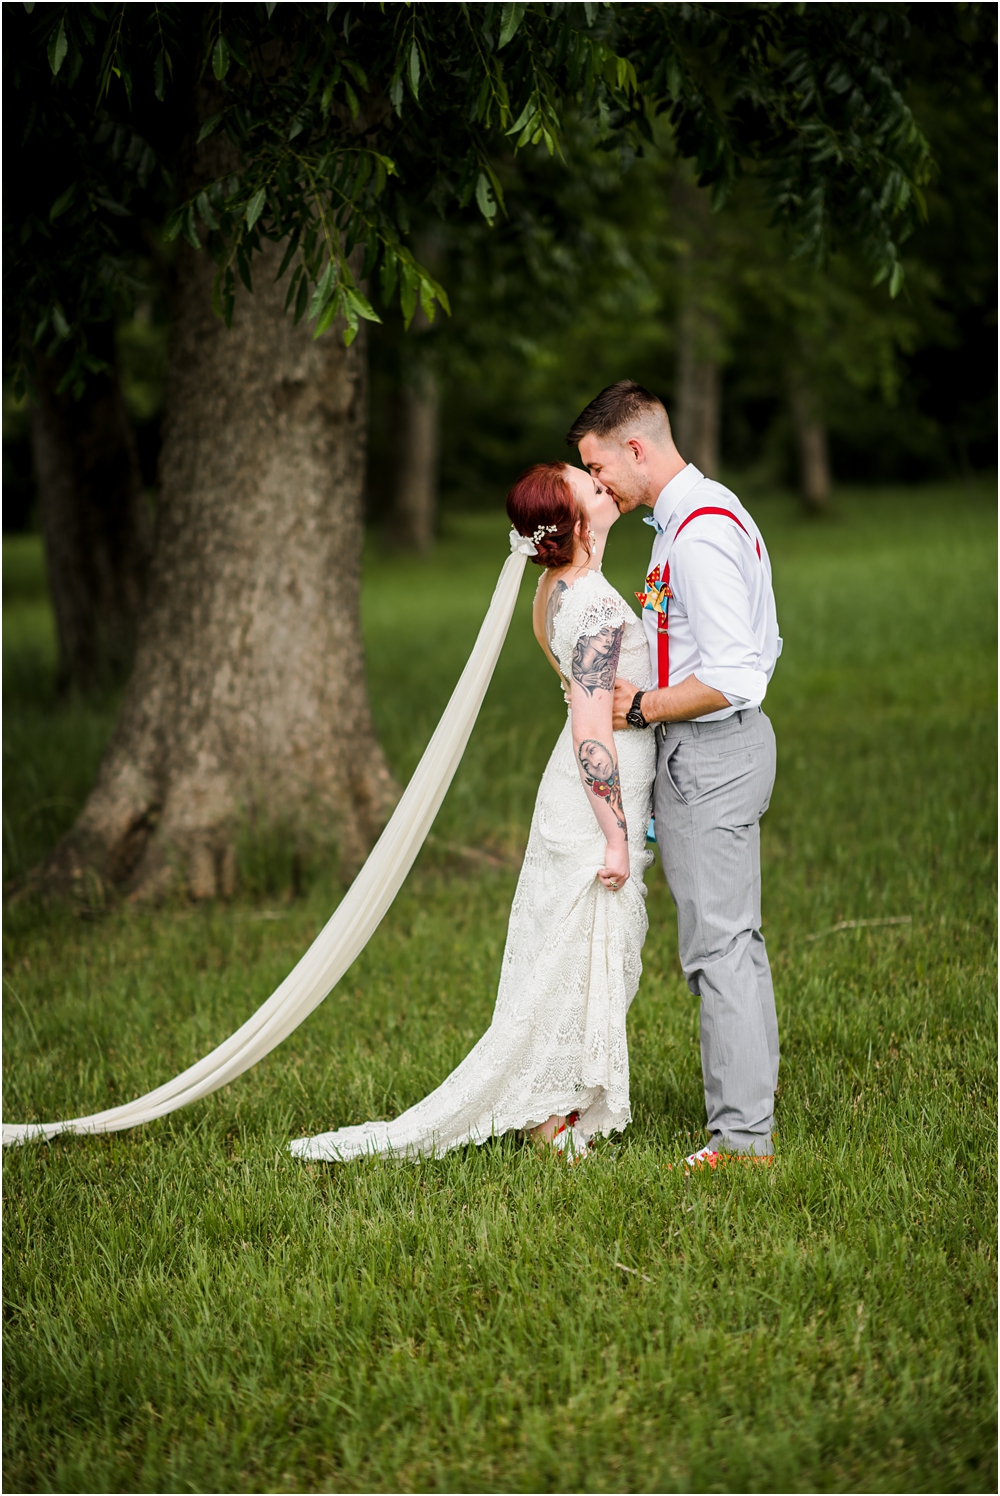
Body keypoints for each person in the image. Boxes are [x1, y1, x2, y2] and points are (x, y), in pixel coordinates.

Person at [290, 461, 657, 1163]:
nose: (601, 483)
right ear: (576, 522)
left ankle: (555, 1100)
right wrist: (615, 834)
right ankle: (551, 1117)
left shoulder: (554, 588)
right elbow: (590, 733)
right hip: (592, 801)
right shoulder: (601, 611)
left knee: (567, 952)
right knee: (580, 949)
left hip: (567, 794)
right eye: (590, 485)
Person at [567, 380, 782, 1166]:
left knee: (718, 949)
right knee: (730, 943)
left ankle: (742, 1137)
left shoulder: (697, 536)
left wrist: (643, 707)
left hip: (715, 751)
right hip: (711, 752)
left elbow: (734, 676)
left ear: (636, 446)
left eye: (597, 468)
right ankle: (746, 1110)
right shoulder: (688, 519)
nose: (597, 487)